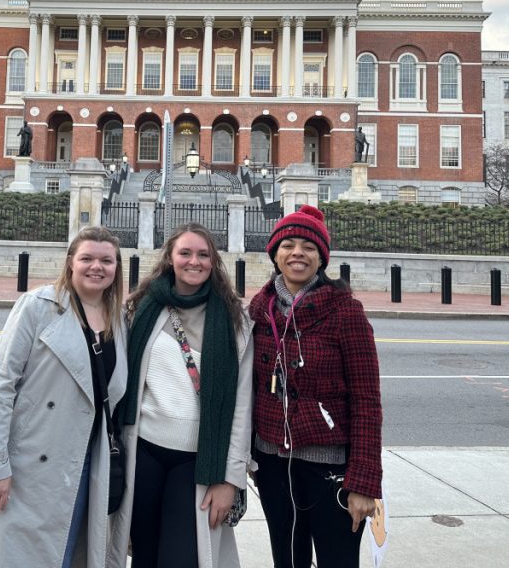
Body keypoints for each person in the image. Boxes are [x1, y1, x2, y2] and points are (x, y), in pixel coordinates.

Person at [0, 226, 127, 568]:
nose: (96, 267)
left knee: (65, 553)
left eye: (106, 260)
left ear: (117, 268)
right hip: (26, 463)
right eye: (86, 258)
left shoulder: (118, 321)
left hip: (84, 462)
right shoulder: (37, 307)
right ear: (71, 263)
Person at [108, 223, 253, 568]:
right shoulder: (142, 307)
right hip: (143, 452)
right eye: (185, 253)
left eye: (203, 254)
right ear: (170, 258)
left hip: (198, 461)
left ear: (214, 261)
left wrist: (230, 479)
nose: (194, 261)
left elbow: (242, 405)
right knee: (144, 554)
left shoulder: (235, 318)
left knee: (181, 557)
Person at [249, 205, 382, 568]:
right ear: (275, 254)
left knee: (337, 561)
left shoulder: (345, 311)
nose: (297, 253)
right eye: (288, 245)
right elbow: (250, 388)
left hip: (330, 469)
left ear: (321, 257)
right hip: (272, 463)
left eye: (308, 247)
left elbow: (367, 400)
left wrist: (365, 482)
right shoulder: (259, 311)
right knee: (287, 560)